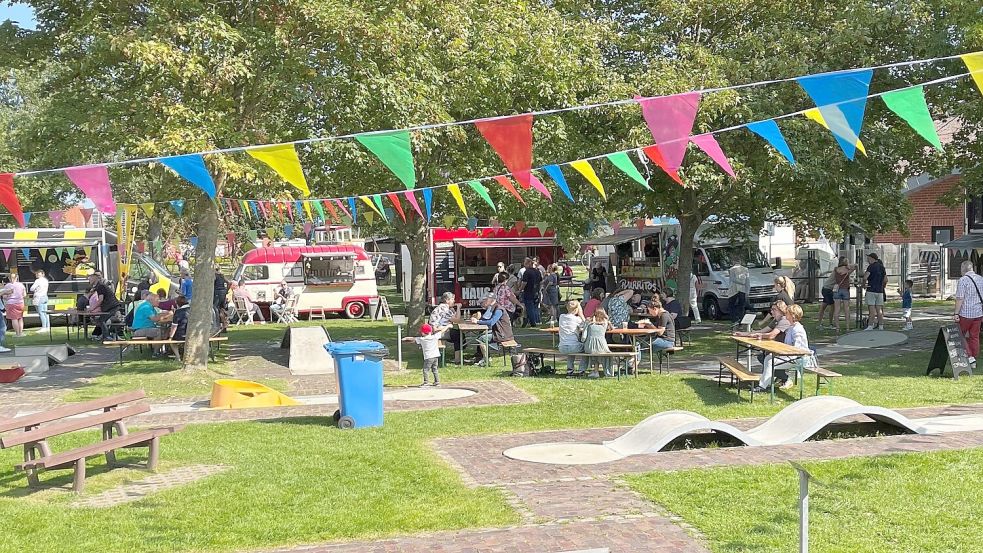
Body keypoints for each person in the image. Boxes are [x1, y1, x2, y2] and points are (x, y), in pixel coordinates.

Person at [755, 304, 812, 392]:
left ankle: (763, 386)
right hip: (790, 356)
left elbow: (797, 349)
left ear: (793, 315)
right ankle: (766, 383)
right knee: (768, 357)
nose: (786, 315)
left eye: (787, 314)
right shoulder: (791, 327)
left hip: (798, 358)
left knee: (770, 361)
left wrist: (783, 353)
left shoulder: (798, 329)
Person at [470, 294, 514, 366]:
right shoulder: (494, 308)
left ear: (491, 299)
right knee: (481, 335)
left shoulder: (499, 309)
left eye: (486, 299)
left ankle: (486, 360)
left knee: (481, 339)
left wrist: (477, 322)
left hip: (503, 335)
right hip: (500, 332)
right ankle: (484, 357)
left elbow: (491, 322)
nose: (485, 301)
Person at [955, 260, 983, 366]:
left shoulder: (963, 280)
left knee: (960, 335)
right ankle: (974, 357)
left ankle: (970, 356)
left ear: (963, 269)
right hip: (978, 313)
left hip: (966, 313)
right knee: (974, 336)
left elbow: (959, 298)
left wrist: (956, 313)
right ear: (972, 268)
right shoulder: (981, 279)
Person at [86, 272, 121, 341]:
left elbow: (100, 300)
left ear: (95, 278)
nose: (89, 279)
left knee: (102, 320)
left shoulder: (100, 286)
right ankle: (106, 335)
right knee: (101, 320)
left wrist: (92, 308)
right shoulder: (98, 286)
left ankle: (107, 336)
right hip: (109, 307)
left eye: (90, 277)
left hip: (112, 306)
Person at [429, 292, 462, 363]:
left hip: (436, 331)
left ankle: (459, 357)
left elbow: (455, 318)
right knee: (458, 334)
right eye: (452, 299)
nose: (454, 301)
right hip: (438, 332)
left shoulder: (443, 307)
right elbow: (457, 320)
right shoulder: (445, 309)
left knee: (457, 334)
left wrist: (454, 310)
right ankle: (457, 359)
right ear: (447, 300)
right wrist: (458, 308)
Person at [558, 300, 588, 376]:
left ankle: (569, 370)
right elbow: (586, 325)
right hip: (573, 346)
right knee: (586, 349)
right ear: (576, 309)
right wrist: (581, 314)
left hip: (562, 347)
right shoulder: (577, 319)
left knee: (571, 347)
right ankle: (582, 370)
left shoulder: (562, 317)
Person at [582, 307, 613, 378]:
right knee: (602, 351)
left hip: (589, 347)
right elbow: (611, 328)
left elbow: (583, 336)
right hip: (602, 346)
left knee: (595, 350)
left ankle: (595, 371)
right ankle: (606, 372)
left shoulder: (589, 320)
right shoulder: (605, 322)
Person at [832, 257, 858, 334]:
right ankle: (847, 327)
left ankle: (837, 328)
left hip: (837, 290)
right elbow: (856, 266)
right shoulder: (847, 270)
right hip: (845, 289)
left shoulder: (836, 269)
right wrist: (848, 266)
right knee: (846, 309)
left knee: (837, 309)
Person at [864, 252, 887, 331]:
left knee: (872, 309)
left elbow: (865, 276)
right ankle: (881, 325)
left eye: (868, 258)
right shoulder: (882, 267)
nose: (867, 260)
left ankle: (870, 325)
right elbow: (885, 279)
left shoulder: (871, 267)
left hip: (871, 289)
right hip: (880, 291)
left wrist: (864, 284)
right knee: (879, 310)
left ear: (871, 258)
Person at [518, 257, 543, 327]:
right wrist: (539, 289)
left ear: (528, 264)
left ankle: (533, 323)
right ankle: (527, 322)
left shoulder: (527, 272)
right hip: (536, 292)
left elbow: (524, 283)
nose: (524, 265)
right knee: (534, 307)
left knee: (529, 308)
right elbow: (541, 281)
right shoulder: (537, 271)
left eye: (525, 263)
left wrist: (520, 290)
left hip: (528, 292)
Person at [2, 273, 27, 337]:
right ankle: (21, 333)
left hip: (11, 303)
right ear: (16, 278)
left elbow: (4, 296)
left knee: (14, 319)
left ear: (9, 278)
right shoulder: (21, 285)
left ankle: (17, 334)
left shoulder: (7, 286)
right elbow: (24, 295)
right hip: (20, 303)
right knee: (20, 318)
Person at [31, 269, 50, 334]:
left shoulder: (37, 281)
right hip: (45, 296)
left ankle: (44, 327)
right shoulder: (46, 280)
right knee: (45, 313)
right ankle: (48, 327)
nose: (36, 275)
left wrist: (36, 289)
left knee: (41, 313)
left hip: (39, 297)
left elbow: (32, 288)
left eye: (37, 274)